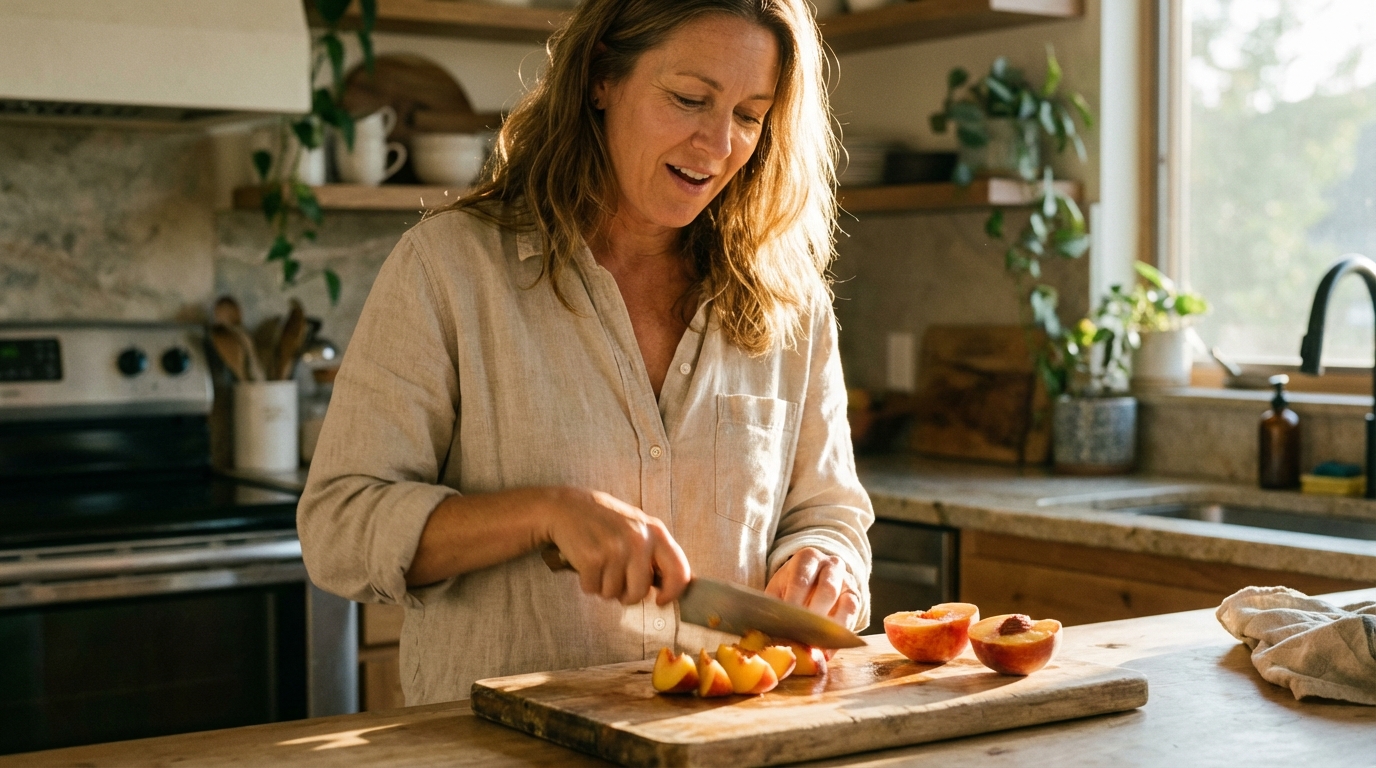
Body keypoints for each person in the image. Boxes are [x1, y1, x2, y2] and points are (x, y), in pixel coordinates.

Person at [298, 0, 873, 705]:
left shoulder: (791, 302)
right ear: (602, 76)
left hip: (720, 744)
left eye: (750, 115)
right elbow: (339, 528)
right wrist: (544, 513)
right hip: (504, 752)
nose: (718, 144)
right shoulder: (450, 269)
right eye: (689, 99)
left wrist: (824, 563)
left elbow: (829, 514)